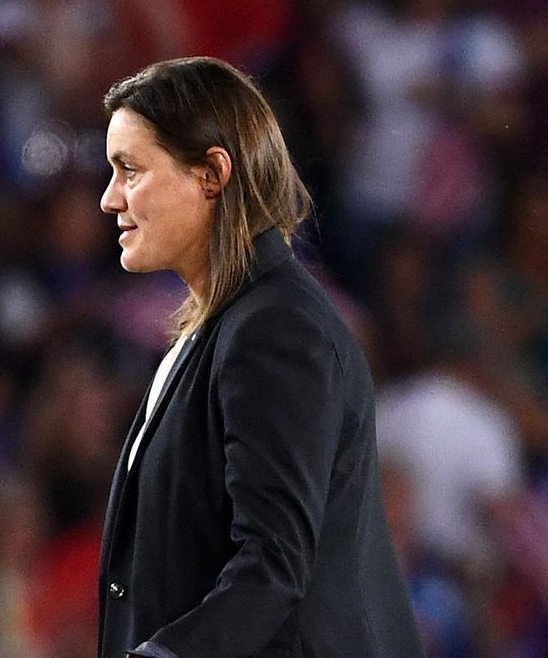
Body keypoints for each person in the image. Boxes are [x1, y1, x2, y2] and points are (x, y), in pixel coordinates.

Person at [95, 57, 424, 658]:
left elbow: (273, 565)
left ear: (212, 174)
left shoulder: (276, 330)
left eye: (131, 170)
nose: (109, 198)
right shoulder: (221, 329)